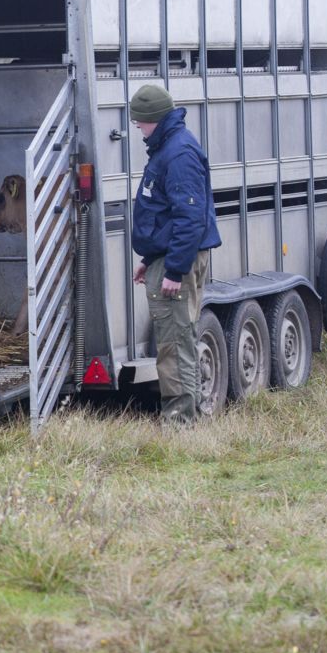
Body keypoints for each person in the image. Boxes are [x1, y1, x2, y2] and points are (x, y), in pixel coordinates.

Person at [130, 84, 222, 427]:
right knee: (179, 338)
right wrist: (150, 259)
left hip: (176, 263)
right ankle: (190, 414)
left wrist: (173, 269)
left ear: (155, 118)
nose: (138, 127)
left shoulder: (179, 154)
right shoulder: (169, 147)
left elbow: (190, 218)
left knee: (174, 343)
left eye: (141, 121)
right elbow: (168, 215)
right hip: (167, 258)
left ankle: (181, 422)